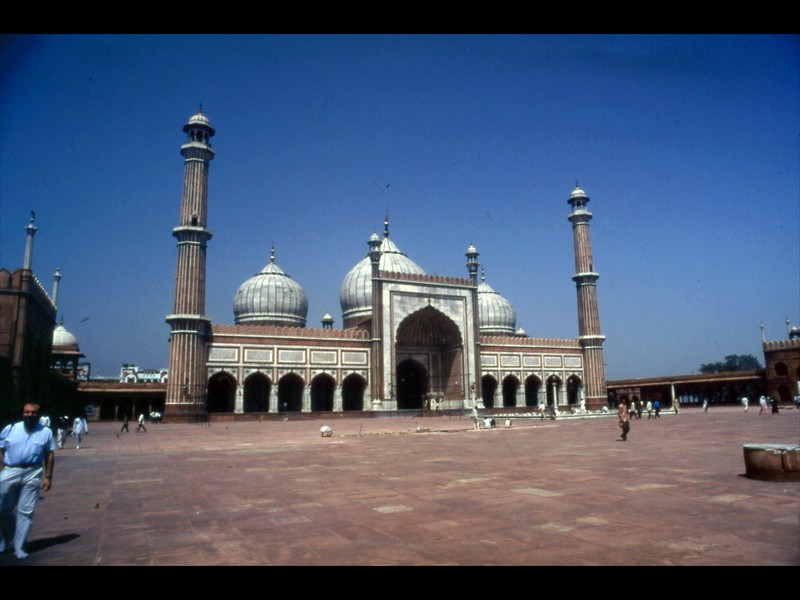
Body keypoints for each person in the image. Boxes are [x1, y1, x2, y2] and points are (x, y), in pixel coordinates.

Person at [0, 403, 55, 559]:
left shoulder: (45, 432)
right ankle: (4, 538)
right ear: (22, 413)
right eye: (27, 412)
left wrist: (48, 477)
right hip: (10, 470)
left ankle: (20, 547)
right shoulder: (10, 429)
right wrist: (1, 470)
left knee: (26, 512)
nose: (30, 415)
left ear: (39, 414)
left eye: (33, 413)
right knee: (4, 509)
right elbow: (0, 449)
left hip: (33, 471)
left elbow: (49, 455)